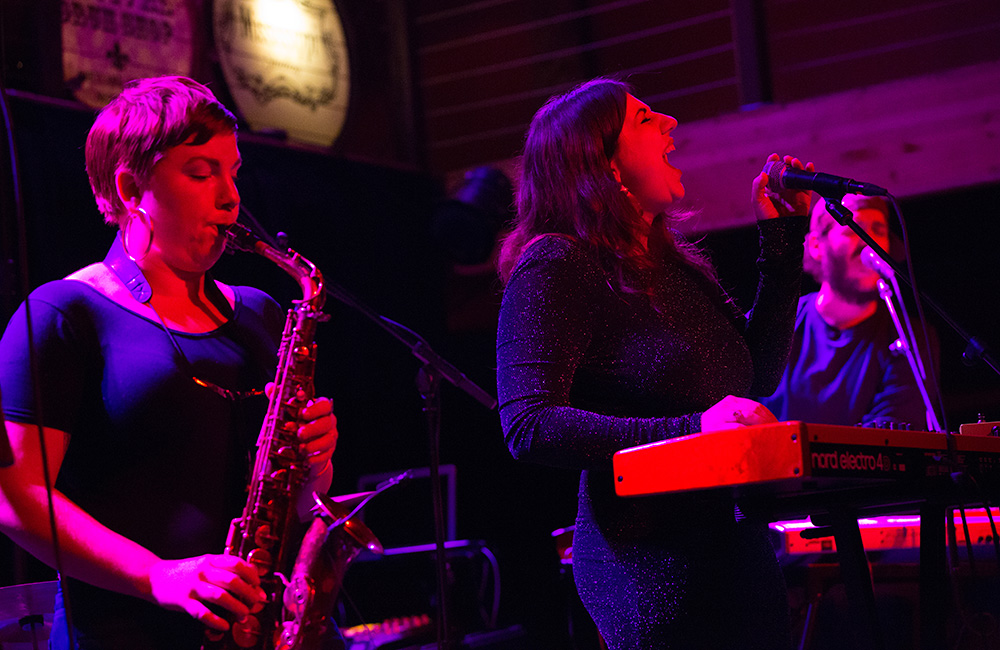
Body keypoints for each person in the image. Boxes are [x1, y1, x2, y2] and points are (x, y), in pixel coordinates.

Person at [0, 76, 338, 649]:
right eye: (202, 173)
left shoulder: (259, 312)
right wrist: (158, 576)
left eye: (232, 171)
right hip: (121, 634)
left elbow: (300, 506)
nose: (231, 197)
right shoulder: (64, 312)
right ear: (131, 187)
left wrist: (315, 468)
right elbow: (16, 499)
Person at [495, 77, 813, 650]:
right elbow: (529, 425)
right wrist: (693, 431)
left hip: (730, 542)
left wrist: (782, 241)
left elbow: (756, 375)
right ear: (603, 164)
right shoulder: (557, 263)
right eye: (644, 119)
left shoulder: (676, 269)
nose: (669, 121)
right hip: (644, 556)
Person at [759, 194, 935, 428]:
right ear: (815, 245)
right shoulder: (776, 322)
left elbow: (891, 430)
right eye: (853, 229)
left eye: (878, 231)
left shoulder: (910, 336)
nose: (869, 242)